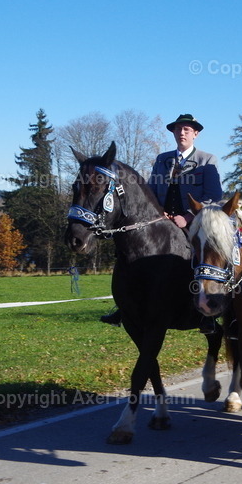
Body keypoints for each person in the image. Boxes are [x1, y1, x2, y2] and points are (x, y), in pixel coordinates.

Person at [101, 113, 223, 329]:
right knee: (132, 250)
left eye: (187, 129)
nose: (182, 132)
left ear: (195, 134)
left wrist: (188, 217)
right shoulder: (162, 160)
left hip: (194, 222)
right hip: (162, 219)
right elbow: (150, 192)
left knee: (201, 256)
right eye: (178, 129)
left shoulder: (207, 160)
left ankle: (206, 314)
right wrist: (159, 212)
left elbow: (214, 197)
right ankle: (126, 305)